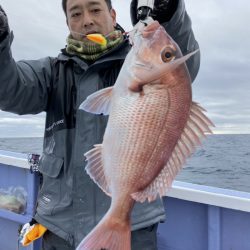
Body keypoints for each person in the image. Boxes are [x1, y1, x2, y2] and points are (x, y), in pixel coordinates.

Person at [0, 0, 200, 249]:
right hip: (61, 231)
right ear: (68, 23)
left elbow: (182, 66)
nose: (87, 20)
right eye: (76, 13)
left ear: (113, 14)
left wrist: (169, 13)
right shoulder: (52, 73)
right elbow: (8, 89)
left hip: (133, 228)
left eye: (95, 9)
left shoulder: (135, 62)